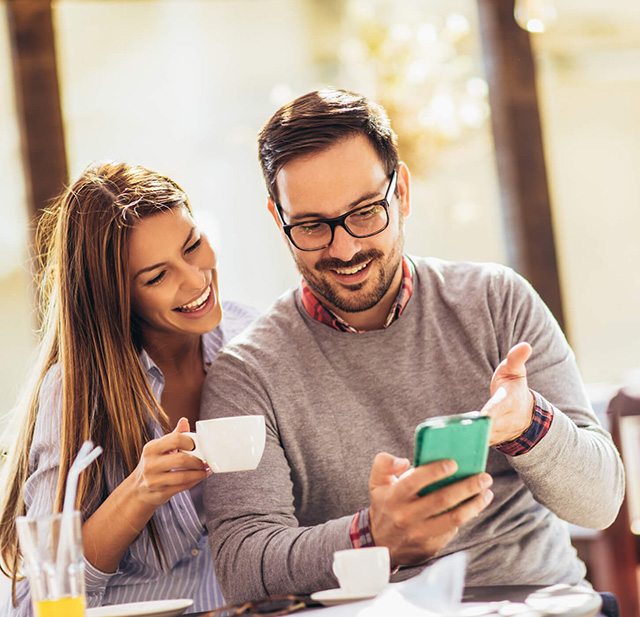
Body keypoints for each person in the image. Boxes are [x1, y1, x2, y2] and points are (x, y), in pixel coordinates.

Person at [200, 89, 625, 604]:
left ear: (400, 191)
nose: (345, 248)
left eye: (363, 213)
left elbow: (601, 503)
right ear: (279, 219)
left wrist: (528, 424)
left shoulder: (497, 301)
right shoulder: (247, 373)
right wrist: (374, 535)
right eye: (311, 226)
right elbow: (243, 566)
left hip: (533, 603)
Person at [0, 162, 257, 615]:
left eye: (193, 245)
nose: (196, 280)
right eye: (158, 276)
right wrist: (139, 492)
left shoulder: (252, 336)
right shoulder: (77, 392)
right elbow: (36, 602)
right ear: (116, 296)